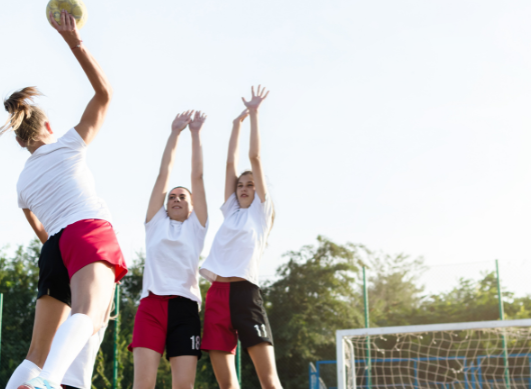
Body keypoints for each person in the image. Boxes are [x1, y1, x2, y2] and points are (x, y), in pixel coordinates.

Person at [1, 10, 127, 389]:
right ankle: (48, 383)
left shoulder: (23, 181)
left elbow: (37, 225)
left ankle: (35, 380)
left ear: (21, 141)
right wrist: (75, 42)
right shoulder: (68, 146)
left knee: (35, 353)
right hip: (87, 230)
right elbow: (104, 94)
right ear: (49, 127)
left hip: (55, 248)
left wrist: (64, 255)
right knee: (90, 313)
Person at [199, 86, 282, 389]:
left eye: (250, 184)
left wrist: (255, 114)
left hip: (246, 295)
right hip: (217, 296)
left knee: (268, 381)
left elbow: (254, 156)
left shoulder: (260, 213)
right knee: (227, 385)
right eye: (240, 185)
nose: (244, 187)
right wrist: (235, 125)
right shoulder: (231, 210)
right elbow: (228, 165)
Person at [129, 111, 209, 389]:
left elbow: (197, 176)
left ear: (192, 205)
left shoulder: (197, 226)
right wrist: (174, 133)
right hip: (151, 307)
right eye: (171, 197)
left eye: (182, 197)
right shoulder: (155, 222)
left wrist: (195, 134)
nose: (175, 199)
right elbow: (163, 175)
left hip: (185, 309)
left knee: (183, 386)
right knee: (143, 385)